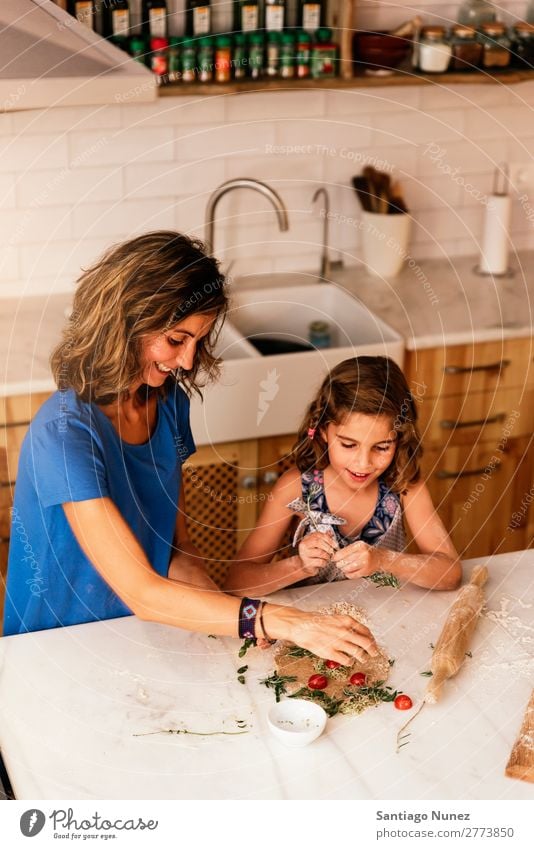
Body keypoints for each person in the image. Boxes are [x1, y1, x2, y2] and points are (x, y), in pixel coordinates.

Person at [2, 231, 376, 665]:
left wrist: (232, 616)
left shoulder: (168, 401)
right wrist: (282, 620)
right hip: (56, 646)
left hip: (142, 628)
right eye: (177, 339)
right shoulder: (63, 436)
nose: (186, 361)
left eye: (197, 341)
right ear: (125, 323)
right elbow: (142, 590)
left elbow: (175, 550)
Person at [224, 356, 462, 597]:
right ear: (324, 430)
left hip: (388, 617)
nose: (363, 463)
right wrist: (298, 566)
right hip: (311, 621)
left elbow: (450, 573)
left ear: (400, 439)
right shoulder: (295, 487)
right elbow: (236, 581)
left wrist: (383, 560)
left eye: (381, 447)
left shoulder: (404, 484)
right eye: (349, 445)